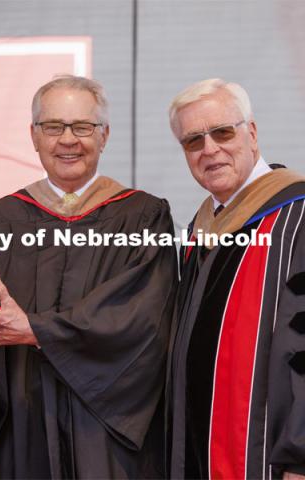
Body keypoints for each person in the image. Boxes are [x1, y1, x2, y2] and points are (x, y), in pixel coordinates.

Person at [0, 75, 178, 478]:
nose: (67, 140)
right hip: (23, 421)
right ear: (34, 137)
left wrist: (34, 329)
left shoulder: (143, 216)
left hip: (108, 432)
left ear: (104, 136)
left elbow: (143, 320)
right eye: (53, 127)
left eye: (82, 127)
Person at [167, 78, 305, 479]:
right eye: (193, 141)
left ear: (253, 134)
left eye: (223, 132)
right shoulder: (201, 226)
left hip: (267, 454)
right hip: (201, 447)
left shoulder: (296, 216)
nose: (210, 149)